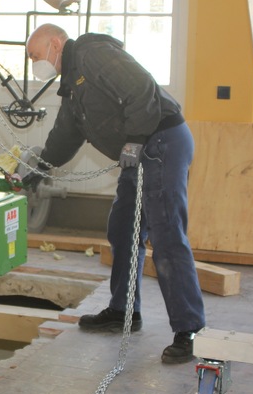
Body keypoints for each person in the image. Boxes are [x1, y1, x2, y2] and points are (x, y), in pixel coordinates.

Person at [23, 24, 206, 364]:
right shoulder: (73, 85)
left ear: (55, 43)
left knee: (166, 236)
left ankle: (189, 330)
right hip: (137, 150)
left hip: (161, 141)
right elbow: (67, 131)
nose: (35, 62)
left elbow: (141, 89)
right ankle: (124, 312)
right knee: (123, 230)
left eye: (35, 55)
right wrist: (42, 166)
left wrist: (136, 139)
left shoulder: (94, 54)